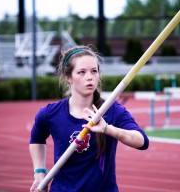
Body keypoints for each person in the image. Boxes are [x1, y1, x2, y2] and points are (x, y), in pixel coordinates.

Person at [29, 45, 149, 192]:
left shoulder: (112, 111)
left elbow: (142, 141)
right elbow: (37, 138)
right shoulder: (50, 113)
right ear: (68, 77)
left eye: (94, 71)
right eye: (81, 72)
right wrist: (39, 172)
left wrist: (107, 129)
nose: (90, 77)